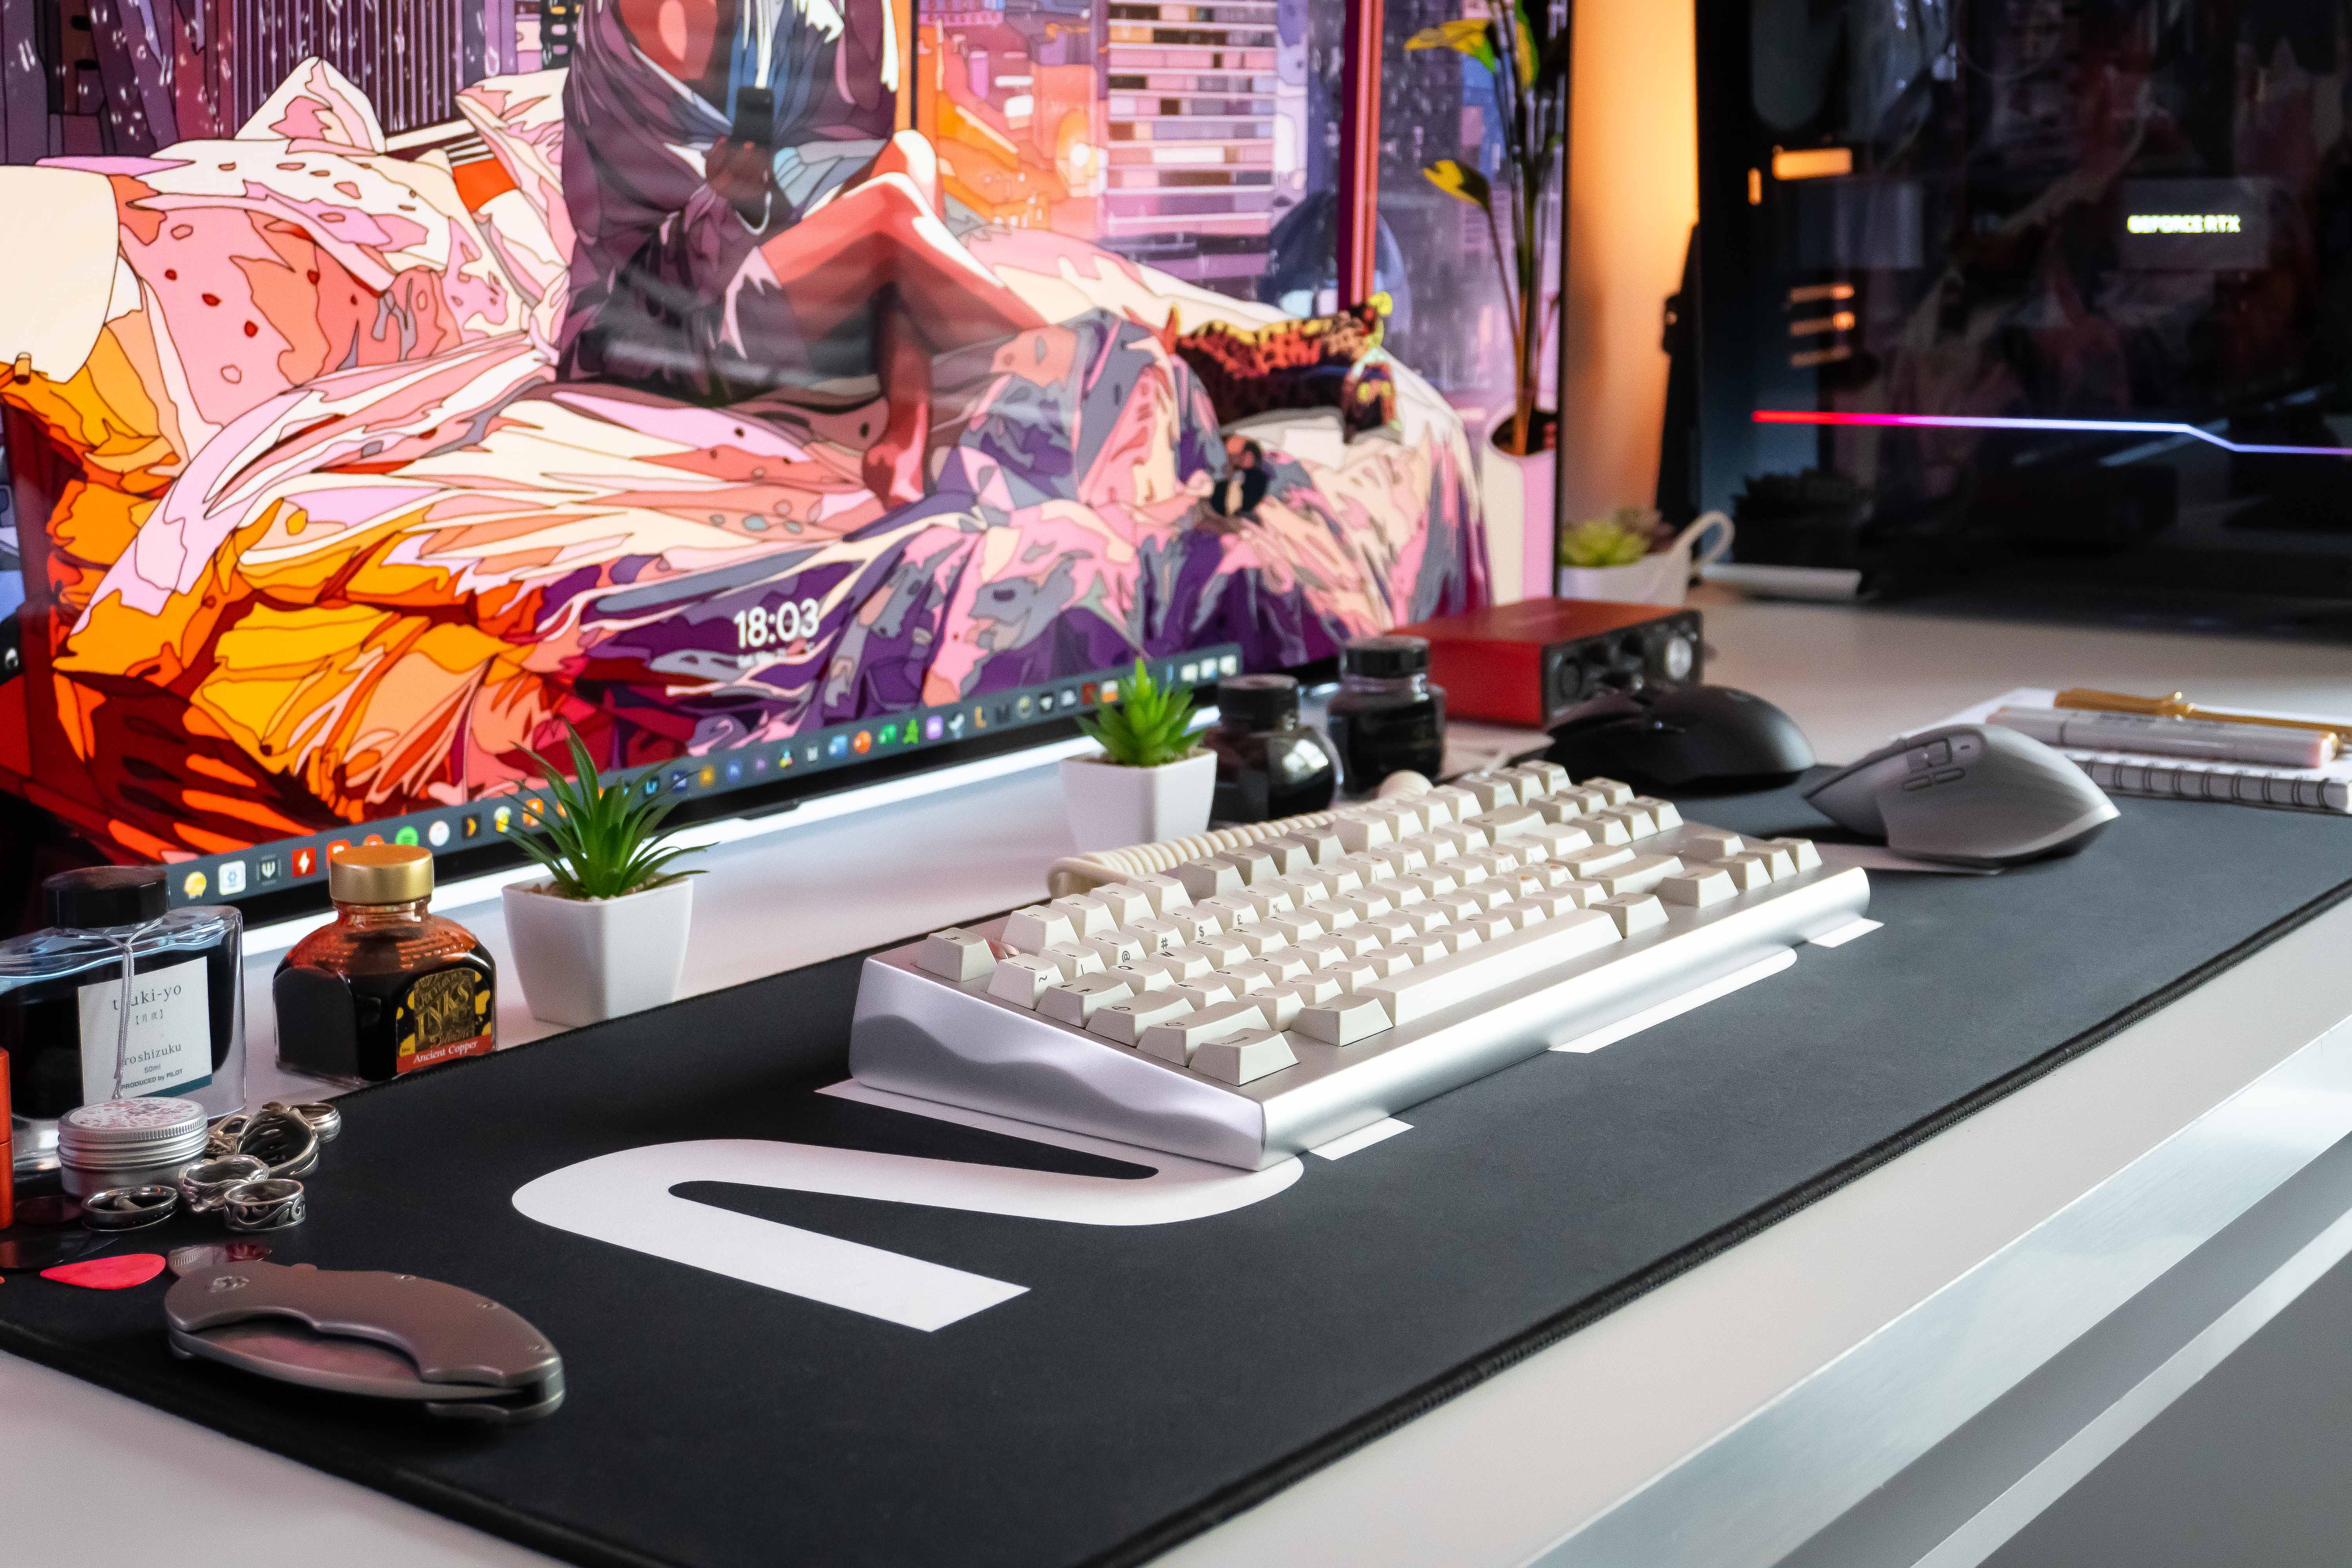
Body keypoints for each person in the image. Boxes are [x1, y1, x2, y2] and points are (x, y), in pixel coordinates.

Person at [559, 0, 1045, 504]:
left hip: (757, 263)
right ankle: (1063, 362)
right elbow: (632, 267)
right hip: (653, 330)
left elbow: (856, 133)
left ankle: (908, 431)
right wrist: (731, 209)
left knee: (909, 156)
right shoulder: (612, 71)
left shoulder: (774, 16)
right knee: (890, 210)